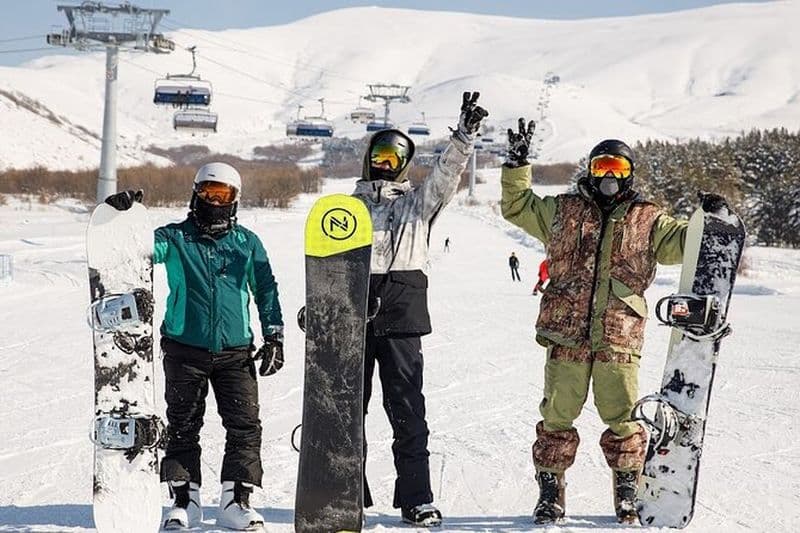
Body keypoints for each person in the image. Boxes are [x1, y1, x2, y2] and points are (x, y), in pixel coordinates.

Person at [500, 119, 729, 524]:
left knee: (623, 417)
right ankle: (551, 492)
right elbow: (517, 206)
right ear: (590, 170)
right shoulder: (563, 211)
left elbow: (683, 243)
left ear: (629, 173)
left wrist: (707, 221)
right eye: (601, 166)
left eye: (617, 168)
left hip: (618, 336)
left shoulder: (648, 219)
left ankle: (627, 491)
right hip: (567, 333)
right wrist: (517, 166)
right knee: (557, 416)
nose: (609, 176)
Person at [104, 162, 284, 531]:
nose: (214, 201)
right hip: (185, 349)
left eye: (223, 194)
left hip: (235, 352)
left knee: (245, 426)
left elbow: (265, 289)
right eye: (208, 192)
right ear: (195, 193)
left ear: (234, 199)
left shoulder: (246, 243)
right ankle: (185, 501)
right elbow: (136, 250)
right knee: (183, 425)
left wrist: (274, 335)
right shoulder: (175, 238)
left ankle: (235, 501)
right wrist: (120, 219)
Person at [352, 92, 488, 528]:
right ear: (369, 159)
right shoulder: (347, 208)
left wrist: (463, 138)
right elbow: (324, 262)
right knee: (346, 413)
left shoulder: (416, 203)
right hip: (353, 319)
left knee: (408, 411)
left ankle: (417, 498)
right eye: (380, 155)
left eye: (394, 158)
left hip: (401, 318)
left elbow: (446, 177)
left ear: (404, 165)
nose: (385, 164)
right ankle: (345, 492)